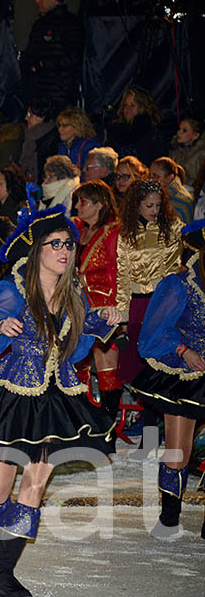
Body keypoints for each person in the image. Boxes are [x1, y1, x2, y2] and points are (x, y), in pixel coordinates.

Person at [0, 192, 119, 596]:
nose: (64, 251)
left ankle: (3, 576)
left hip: (56, 396)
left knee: (37, 480)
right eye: (55, 244)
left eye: (68, 244)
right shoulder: (10, 292)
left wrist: (99, 321)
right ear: (38, 249)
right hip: (13, 396)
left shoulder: (73, 296)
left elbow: (75, 352)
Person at [131, 219, 205, 540]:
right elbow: (152, 332)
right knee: (179, 449)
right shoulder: (179, 283)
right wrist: (182, 348)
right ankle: (169, 518)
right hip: (184, 373)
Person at [116, 180, 183, 387]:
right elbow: (123, 276)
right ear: (136, 204)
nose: (155, 210)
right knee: (135, 362)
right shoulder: (126, 232)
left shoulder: (171, 227)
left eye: (158, 205)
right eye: (149, 205)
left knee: (160, 360)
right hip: (137, 303)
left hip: (161, 302)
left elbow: (173, 271)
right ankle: (139, 412)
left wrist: (169, 308)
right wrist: (123, 317)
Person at [72, 181, 122, 421]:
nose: (78, 206)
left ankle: (109, 423)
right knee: (77, 361)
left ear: (99, 204)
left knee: (105, 362)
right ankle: (82, 420)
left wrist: (119, 308)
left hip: (104, 305)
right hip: (78, 304)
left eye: (83, 201)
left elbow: (119, 271)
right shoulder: (77, 230)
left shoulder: (114, 232)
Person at [22, 0, 84, 109]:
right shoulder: (39, 25)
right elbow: (29, 55)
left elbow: (74, 58)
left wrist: (46, 64)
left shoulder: (71, 24)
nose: (37, 1)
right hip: (37, 94)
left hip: (60, 96)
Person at [106, 85, 165, 165]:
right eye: (125, 105)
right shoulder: (115, 131)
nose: (128, 109)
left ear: (142, 107)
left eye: (132, 105)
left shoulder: (151, 134)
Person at [18, 97, 59, 184]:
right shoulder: (30, 137)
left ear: (41, 117)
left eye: (30, 114)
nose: (26, 118)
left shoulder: (52, 140)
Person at [55, 106, 101, 180]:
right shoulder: (62, 146)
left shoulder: (90, 146)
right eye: (59, 125)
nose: (60, 129)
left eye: (64, 126)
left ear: (77, 127)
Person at [149, 157, 195, 224]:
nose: (151, 180)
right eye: (150, 176)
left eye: (156, 176)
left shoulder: (183, 203)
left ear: (170, 177)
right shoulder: (156, 194)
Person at [170, 118, 205, 194]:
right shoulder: (175, 149)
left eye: (184, 130)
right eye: (179, 129)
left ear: (195, 135)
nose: (179, 132)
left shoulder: (201, 155)